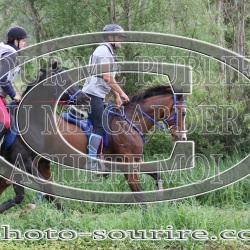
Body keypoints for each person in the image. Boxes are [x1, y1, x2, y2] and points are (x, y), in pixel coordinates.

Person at [82, 24, 129, 171]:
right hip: (92, 94)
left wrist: (116, 96)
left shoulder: (108, 52)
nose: (121, 40)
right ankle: (91, 162)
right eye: (119, 37)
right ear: (111, 37)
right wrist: (121, 92)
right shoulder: (103, 52)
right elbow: (107, 77)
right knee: (100, 125)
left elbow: (109, 79)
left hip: (98, 94)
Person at [0, 26, 28, 142]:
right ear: (16, 41)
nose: (25, 43)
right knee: (5, 121)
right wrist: (13, 94)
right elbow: (2, 78)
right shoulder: (11, 54)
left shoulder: (7, 52)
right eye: (23, 41)